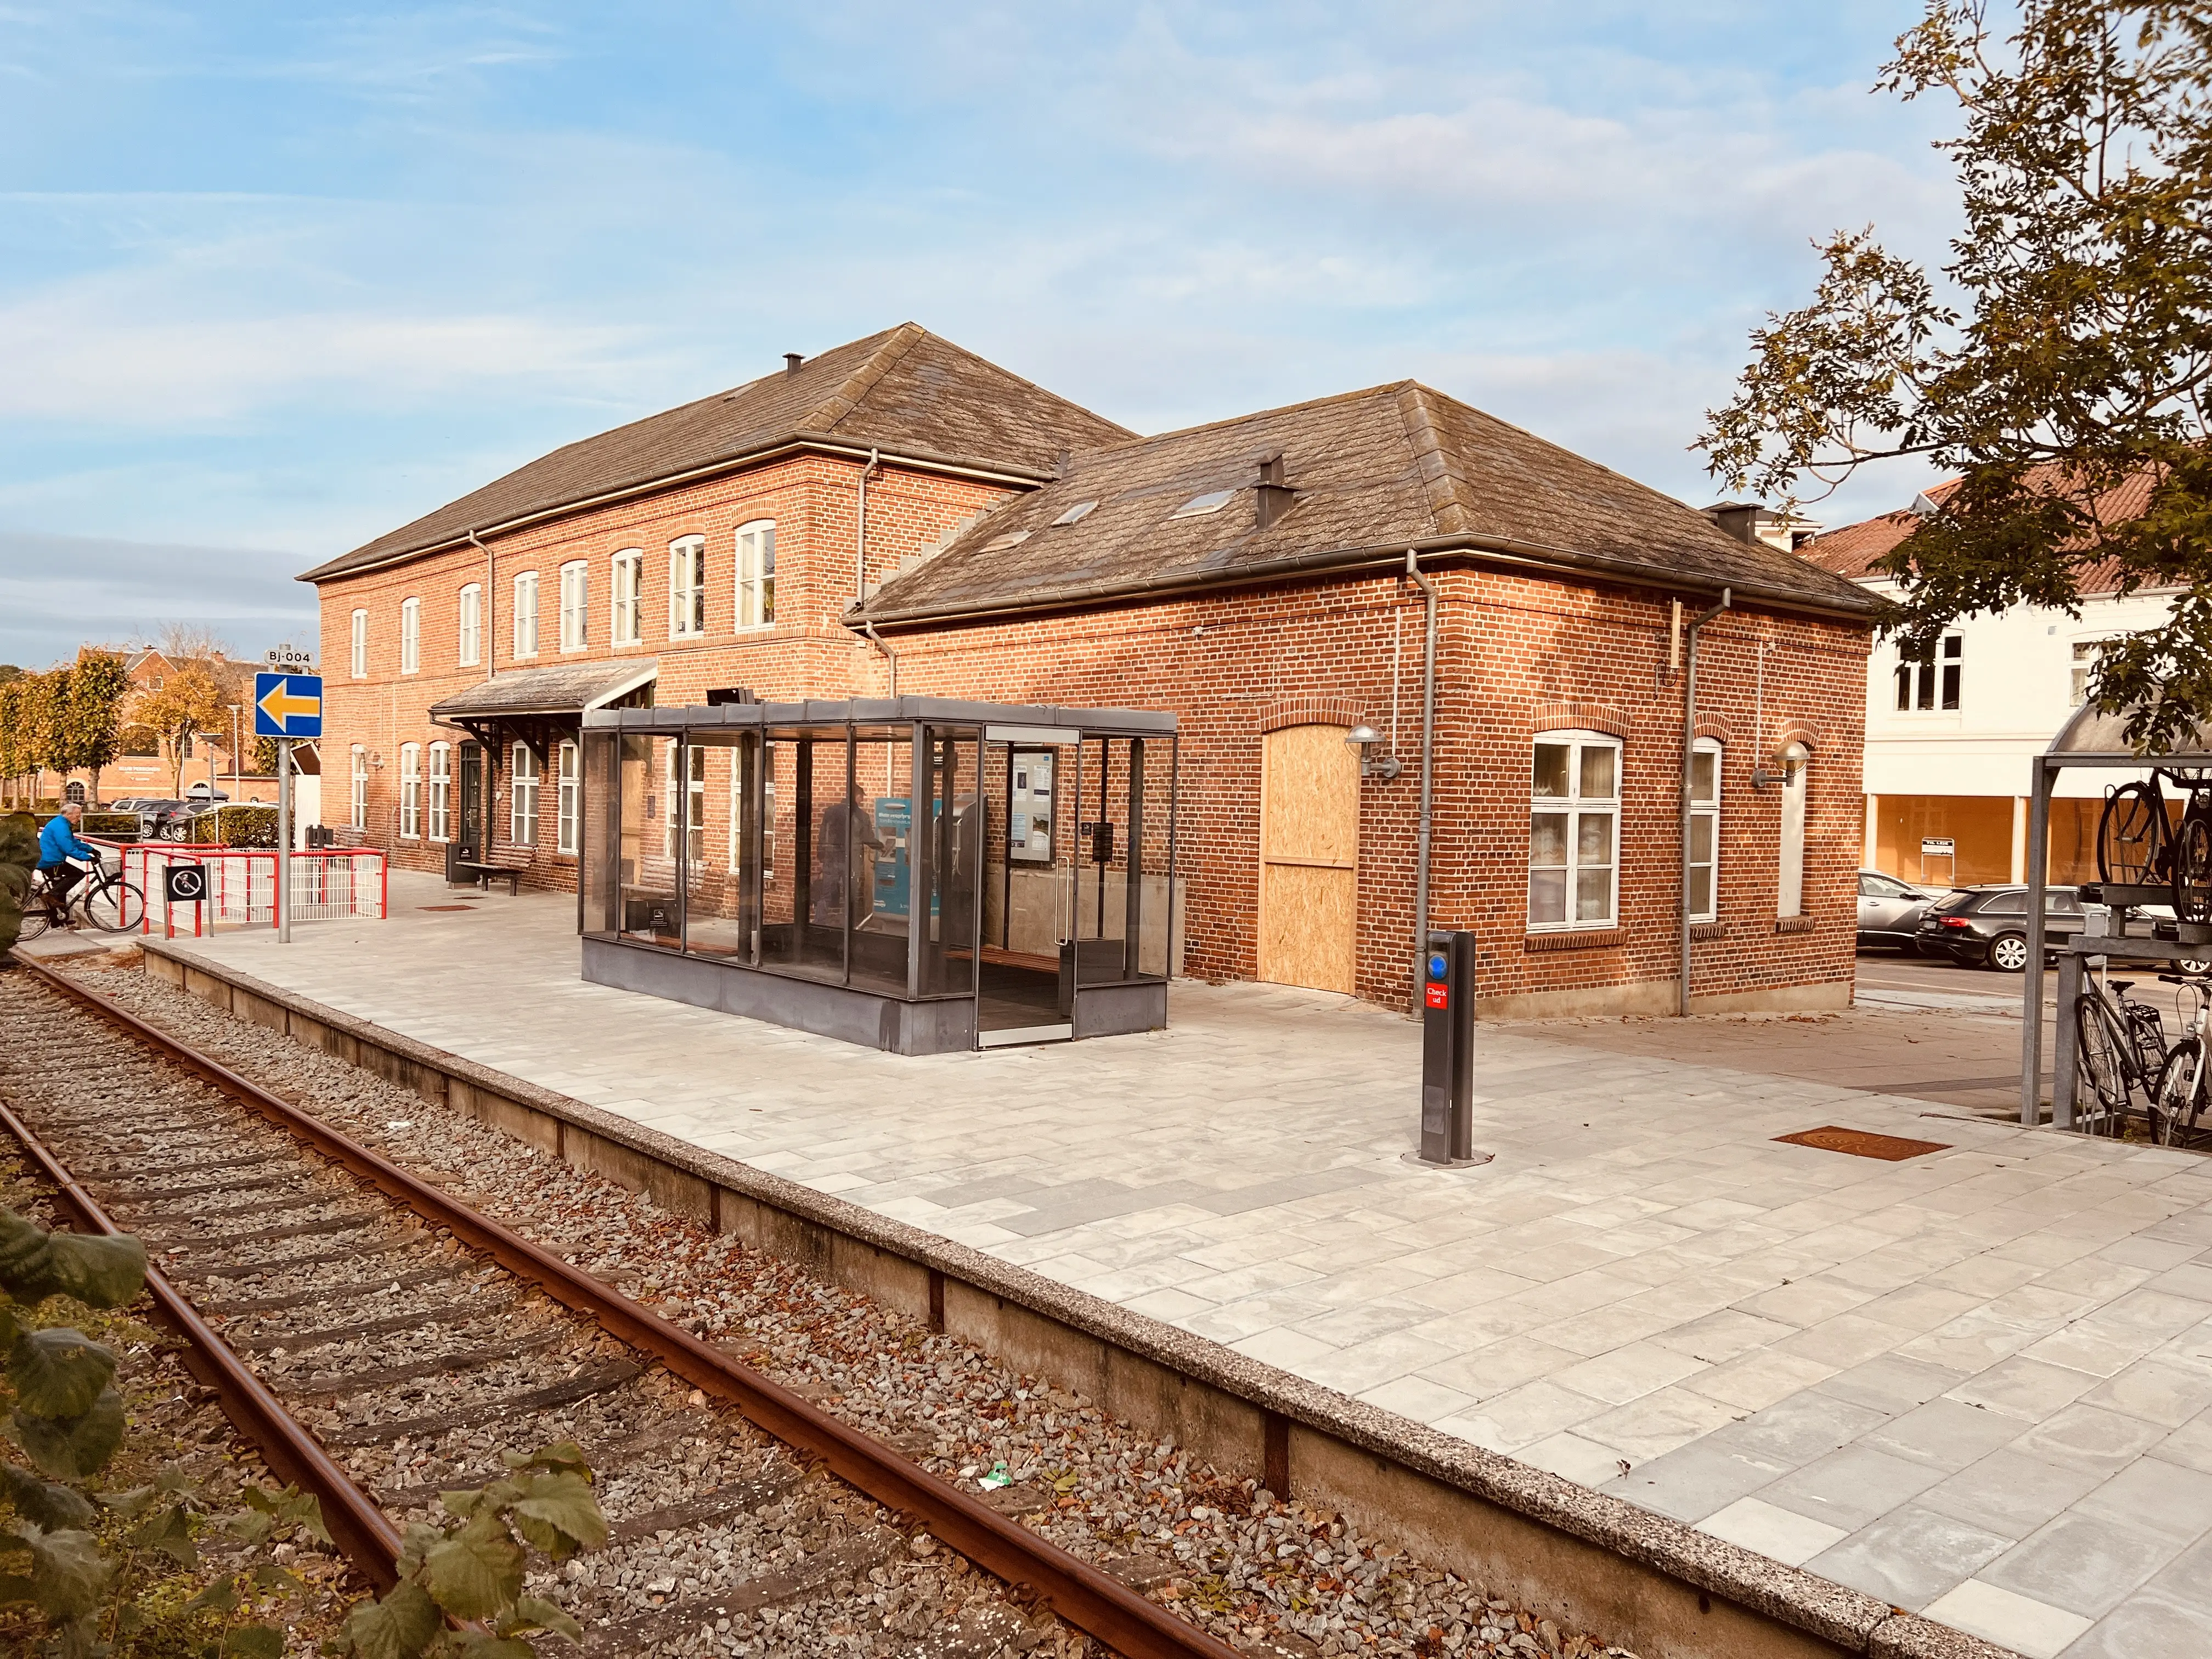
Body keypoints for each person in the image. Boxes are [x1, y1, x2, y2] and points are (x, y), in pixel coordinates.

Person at [37, 802, 100, 927]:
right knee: (78, 874)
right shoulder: (61, 827)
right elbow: (68, 848)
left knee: (61, 886)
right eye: (77, 816)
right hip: (51, 862)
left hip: (50, 859)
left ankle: (58, 920)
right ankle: (50, 895)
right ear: (68, 814)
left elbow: (73, 842)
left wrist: (90, 849)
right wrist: (88, 858)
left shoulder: (62, 823)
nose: (79, 818)